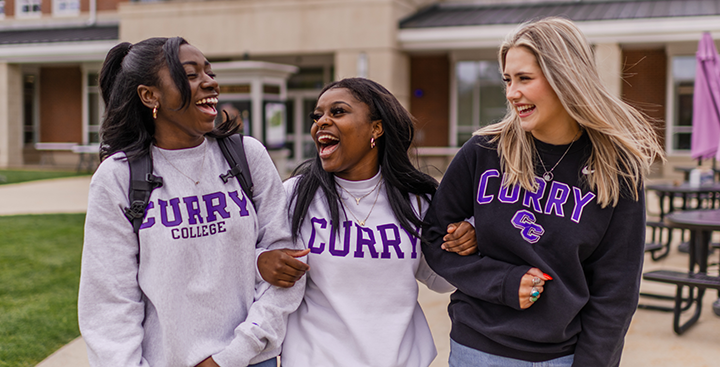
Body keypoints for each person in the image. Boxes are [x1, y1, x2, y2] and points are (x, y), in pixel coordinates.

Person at [421, 17, 664, 367]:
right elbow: (433, 238)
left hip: (561, 357)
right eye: (507, 79)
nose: (510, 93)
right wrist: (503, 281)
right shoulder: (484, 151)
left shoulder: (617, 170)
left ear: (564, 78)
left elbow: (616, 292)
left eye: (524, 79)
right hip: (479, 350)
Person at [77, 37, 304, 367]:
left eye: (209, 72)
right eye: (191, 74)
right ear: (149, 95)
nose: (210, 82)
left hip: (253, 359)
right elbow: (109, 303)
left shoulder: (247, 156)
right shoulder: (119, 177)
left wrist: (233, 354)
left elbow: (288, 269)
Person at [256, 77, 477, 367]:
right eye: (317, 115)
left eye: (337, 112)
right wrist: (260, 262)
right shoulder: (295, 195)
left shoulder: (418, 201)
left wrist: (466, 241)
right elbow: (234, 258)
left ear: (376, 127)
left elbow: (440, 281)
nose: (321, 121)